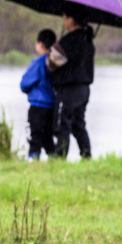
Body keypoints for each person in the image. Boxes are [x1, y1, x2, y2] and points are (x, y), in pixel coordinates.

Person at [47, 9, 95, 159]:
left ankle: (60, 157)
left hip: (68, 89)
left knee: (62, 123)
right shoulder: (88, 41)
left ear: (71, 19)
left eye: (64, 16)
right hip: (84, 89)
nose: (63, 20)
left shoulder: (69, 41)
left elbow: (52, 64)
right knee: (78, 123)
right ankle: (86, 154)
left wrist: (55, 48)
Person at [20, 29, 57, 160]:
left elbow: (24, 84)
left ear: (40, 44)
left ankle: (33, 161)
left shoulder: (38, 63)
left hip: (37, 106)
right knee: (48, 137)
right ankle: (54, 161)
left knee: (35, 136)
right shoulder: (55, 63)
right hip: (52, 107)